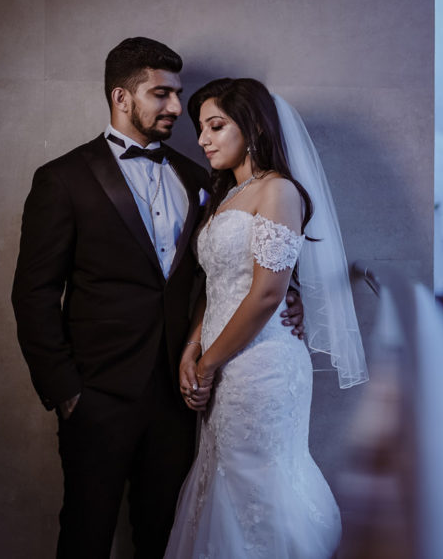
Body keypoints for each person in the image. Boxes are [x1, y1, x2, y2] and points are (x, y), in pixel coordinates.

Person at [10, 38, 305, 558]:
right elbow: (33, 294)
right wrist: (66, 390)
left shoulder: (201, 180)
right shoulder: (62, 179)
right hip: (96, 395)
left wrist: (289, 299)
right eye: (161, 94)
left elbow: (229, 268)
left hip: (180, 393)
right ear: (122, 98)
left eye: (178, 94)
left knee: (166, 532)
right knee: (86, 530)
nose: (175, 109)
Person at [164, 78, 368, 558]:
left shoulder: (278, 191)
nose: (202, 139)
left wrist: (209, 364)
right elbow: (215, 288)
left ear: (252, 127)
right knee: (225, 480)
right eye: (201, 129)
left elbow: (267, 294)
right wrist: (192, 350)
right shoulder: (226, 197)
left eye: (216, 126)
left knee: (258, 480)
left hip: (261, 367)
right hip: (220, 364)